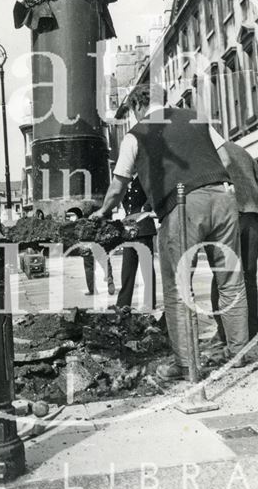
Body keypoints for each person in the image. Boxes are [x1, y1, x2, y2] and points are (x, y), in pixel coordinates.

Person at [91, 84, 248, 379]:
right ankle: (238, 354)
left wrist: (102, 212)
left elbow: (118, 185)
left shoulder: (136, 135)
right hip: (223, 197)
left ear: (137, 106)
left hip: (183, 204)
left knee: (178, 289)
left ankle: (187, 364)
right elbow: (226, 158)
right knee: (230, 280)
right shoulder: (194, 117)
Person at [208, 141, 258, 344]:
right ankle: (253, 331)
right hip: (252, 215)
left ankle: (224, 333)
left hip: (227, 215)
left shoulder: (207, 150)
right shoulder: (239, 149)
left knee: (223, 276)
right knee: (249, 276)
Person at [117, 177, 157, 309]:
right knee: (127, 269)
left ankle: (149, 303)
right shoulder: (124, 180)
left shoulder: (144, 177)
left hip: (144, 229)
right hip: (128, 230)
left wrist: (146, 208)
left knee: (146, 270)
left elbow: (154, 193)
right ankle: (123, 303)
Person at [65, 209, 115, 296]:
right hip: (100, 244)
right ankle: (109, 278)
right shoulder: (99, 217)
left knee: (89, 268)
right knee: (105, 263)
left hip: (87, 245)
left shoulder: (80, 222)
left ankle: (92, 290)